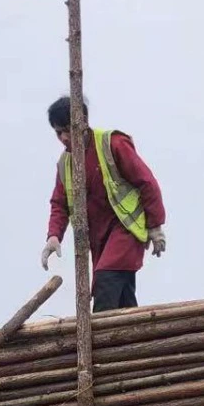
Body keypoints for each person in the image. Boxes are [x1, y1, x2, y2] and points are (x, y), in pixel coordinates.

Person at [41, 96, 167, 312]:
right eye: (58, 133)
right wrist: (54, 236)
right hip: (99, 238)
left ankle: (100, 332)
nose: (63, 138)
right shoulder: (66, 163)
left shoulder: (111, 144)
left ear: (82, 122)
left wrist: (155, 227)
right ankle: (133, 332)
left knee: (106, 279)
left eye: (67, 130)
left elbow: (146, 182)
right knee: (122, 295)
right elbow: (59, 203)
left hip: (126, 229)